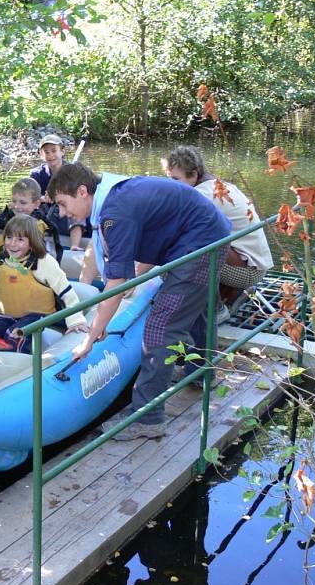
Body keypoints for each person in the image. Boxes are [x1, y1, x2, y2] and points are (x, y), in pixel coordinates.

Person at [47, 163, 231, 441]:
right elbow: (151, 230)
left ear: (82, 191)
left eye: (62, 203)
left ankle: (148, 418)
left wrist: (92, 335)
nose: (62, 213)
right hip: (207, 232)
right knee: (198, 306)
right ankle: (200, 371)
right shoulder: (115, 195)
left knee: (160, 328)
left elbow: (115, 282)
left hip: (201, 241)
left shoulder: (113, 214)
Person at [164, 146, 274, 322]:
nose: (171, 185)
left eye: (176, 179)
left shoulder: (202, 195)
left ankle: (216, 309)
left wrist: (139, 272)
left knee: (179, 254)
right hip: (251, 263)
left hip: (248, 271)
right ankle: (229, 293)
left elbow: (171, 234)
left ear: (193, 175)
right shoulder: (216, 184)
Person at [0, 215, 88, 353]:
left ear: (32, 242)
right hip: (6, 314)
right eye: (9, 237)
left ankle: (22, 368)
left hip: (38, 315)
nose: (12, 244)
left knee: (15, 335)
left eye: (20, 239)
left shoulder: (44, 262)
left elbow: (66, 293)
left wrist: (76, 321)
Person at [0, 177, 62, 263]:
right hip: (1, 271)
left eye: (23, 203)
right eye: (14, 201)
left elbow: (53, 258)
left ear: (36, 204)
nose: (16, 206)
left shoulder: (46, 227)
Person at [30, 134, 89, 250]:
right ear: (42, 155)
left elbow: (81, 196)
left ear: (62, 151)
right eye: (46, 152)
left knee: (76, 205)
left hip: (66, 213)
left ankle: (75, 246)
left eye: (53, 151)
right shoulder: (36, 174)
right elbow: (30, 198)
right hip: (47, 213)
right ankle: (33, 243)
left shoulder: (73, 171)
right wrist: (43, 198)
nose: (50, 155)